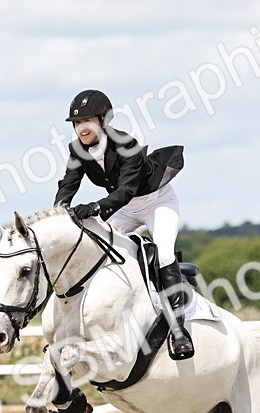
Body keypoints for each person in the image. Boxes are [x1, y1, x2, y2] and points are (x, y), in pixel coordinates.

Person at [53, 89, 193, 360]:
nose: (81, 127)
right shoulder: (77, 150)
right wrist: (58, 212)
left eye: (87, 121)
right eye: (76, 123)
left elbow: (126, 190)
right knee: (99, 250)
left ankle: (178, 329)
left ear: (103, 121)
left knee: (163, 253)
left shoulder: (126, 144)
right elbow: (68, 183)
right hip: (124, 209)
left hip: (156, 201)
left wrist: (95, 208)